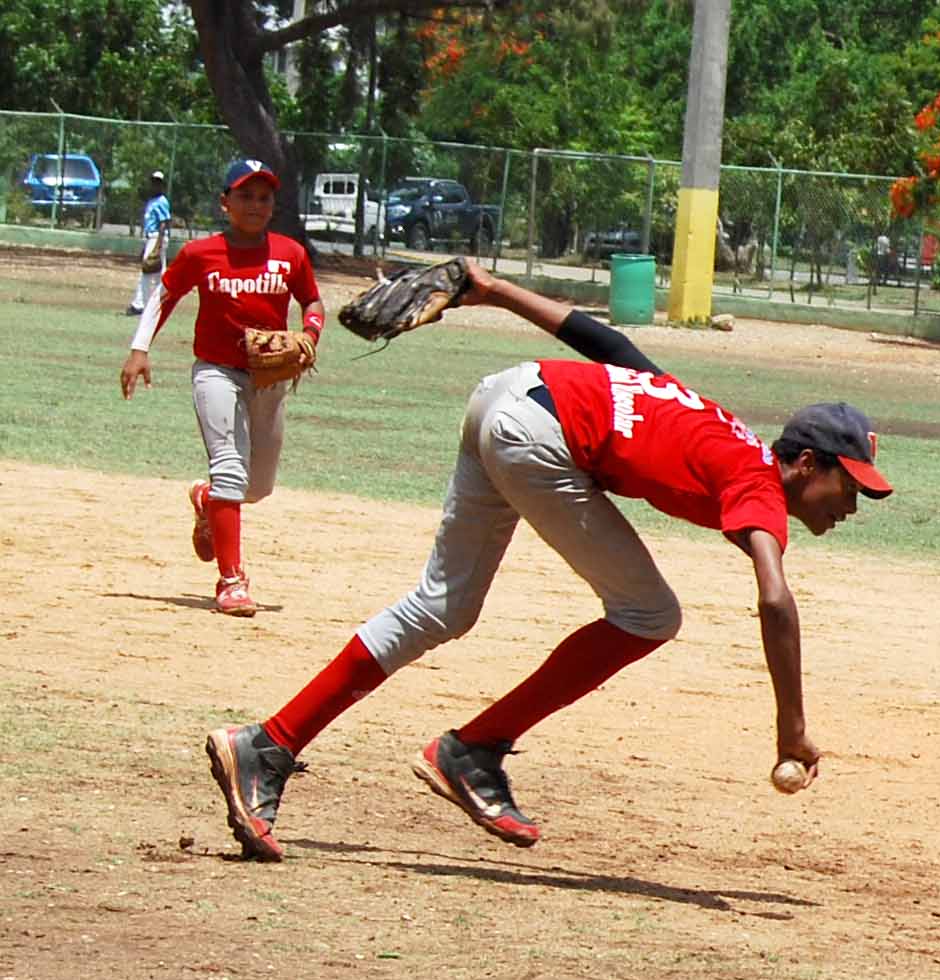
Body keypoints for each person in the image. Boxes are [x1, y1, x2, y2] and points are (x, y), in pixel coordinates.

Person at [201, 259, 893, 862]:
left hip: (504, 396)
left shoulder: (718, 426)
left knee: (443, 606)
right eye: (850, 486)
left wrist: (494, 290)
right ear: (806, 463)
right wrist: (791, 727)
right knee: (650, 614)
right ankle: (474, 748)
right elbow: (774, 598)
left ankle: (267, 744)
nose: (852, 505)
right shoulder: (758, 484)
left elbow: (607, 345)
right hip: (538, 433)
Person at [119, 159, 323, 616]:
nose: (255, 204)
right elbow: (165, 296)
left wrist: (310, 333)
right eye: (245, 195)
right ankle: (232, 581)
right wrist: (139, 349)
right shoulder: (201, 253)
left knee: (257, 487)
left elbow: (311, 300)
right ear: (224, 203)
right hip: (216, 372)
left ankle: (206, 500)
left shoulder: (290, 253)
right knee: (230, 470)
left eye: (264, 197)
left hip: (269, 378)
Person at [126, 170, 171, 316]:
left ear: (162, 185)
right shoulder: (152, 201)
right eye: (153, 182)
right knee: (159, 274)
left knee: (147, 271)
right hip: (151, 238)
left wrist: (157, 245)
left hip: (157, 236)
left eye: (158, 183)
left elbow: (163, 223)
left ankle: (140, 304)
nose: (155, 185)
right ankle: (160, 303)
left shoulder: (162, 201)